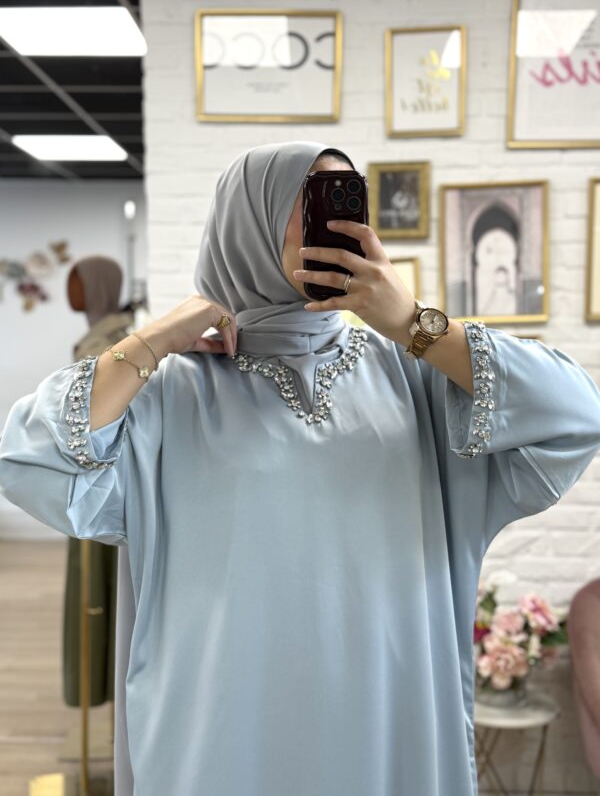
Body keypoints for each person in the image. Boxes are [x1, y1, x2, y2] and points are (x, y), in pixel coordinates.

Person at [1, 140, 600, 796]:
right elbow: (29, 456)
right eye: (311, 199)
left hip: (384, 718)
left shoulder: (416, 379)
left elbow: (576, 413)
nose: (336, 221)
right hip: (220, 729)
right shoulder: (173, 393)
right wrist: (159, 336)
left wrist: (413, 325)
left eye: (348, 199)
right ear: (247, 221)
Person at [63, 256, 133, 712]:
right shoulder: (103, 336)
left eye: (78, 283)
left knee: (104, 591)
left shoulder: (114, 343)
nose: (71, 293)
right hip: (88, 481)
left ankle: (108, 690)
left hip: (104, 486)